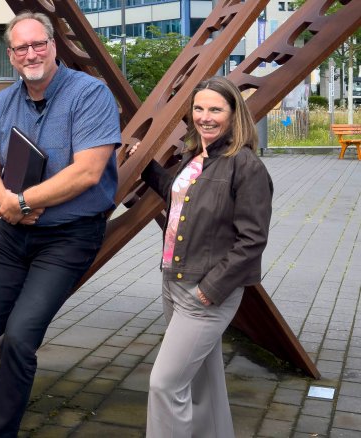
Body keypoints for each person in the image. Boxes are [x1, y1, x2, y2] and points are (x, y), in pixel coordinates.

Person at [0, 12, 122, 437]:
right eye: (21, 48)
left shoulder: (89, 94)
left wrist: (22, 200)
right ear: (10, 55)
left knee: (20, 339)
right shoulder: (4, 102)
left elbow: (87, 173)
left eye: (38, 44)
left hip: (68, 238)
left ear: (54, 45)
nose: (31, 53)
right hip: (12, 235)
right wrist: (9, 203)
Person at [128, 76, 273, 437]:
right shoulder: (195, 158)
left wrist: (210, 290)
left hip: (204, 293)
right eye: (198, 108)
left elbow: (252, 240)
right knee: (202, 380)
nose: (205, 117)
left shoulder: (245, 166)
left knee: (165, 384)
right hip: (173, 284)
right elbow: (176, 194)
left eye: (215, 109)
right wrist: (146, 168)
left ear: (234, 114)